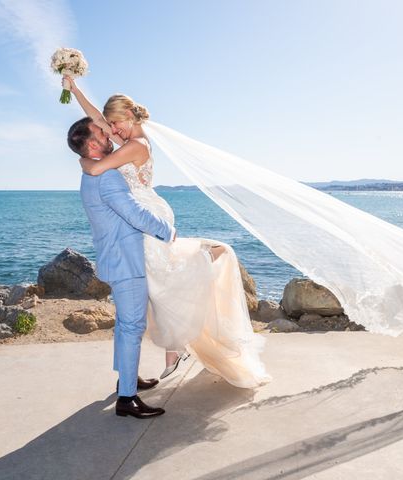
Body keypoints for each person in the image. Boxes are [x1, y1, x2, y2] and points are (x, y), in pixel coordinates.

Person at [65, 76, 271, 388]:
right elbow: (96, 120)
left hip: (147, 216)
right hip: (145, 213)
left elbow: (95, 168)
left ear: (130, 118)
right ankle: (169, 354)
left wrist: (82, 157)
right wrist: (75, 89)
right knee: (161, 283)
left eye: (115, 124)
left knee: (165, 283)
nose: (111, 131)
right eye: (108, 126)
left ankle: (173, 351)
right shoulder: (129, 138)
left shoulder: (135, 145)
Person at [68, 117, 175, 419]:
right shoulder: (108, 177)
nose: (108, 134)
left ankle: (127, 379)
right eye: (102, 133)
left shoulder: (90, 174)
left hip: (113, 258)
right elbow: (135, 215)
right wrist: (168, 232)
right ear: (92, 145)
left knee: (125, 326)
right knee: (131, 327)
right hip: (126, 262)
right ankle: (127, 398)